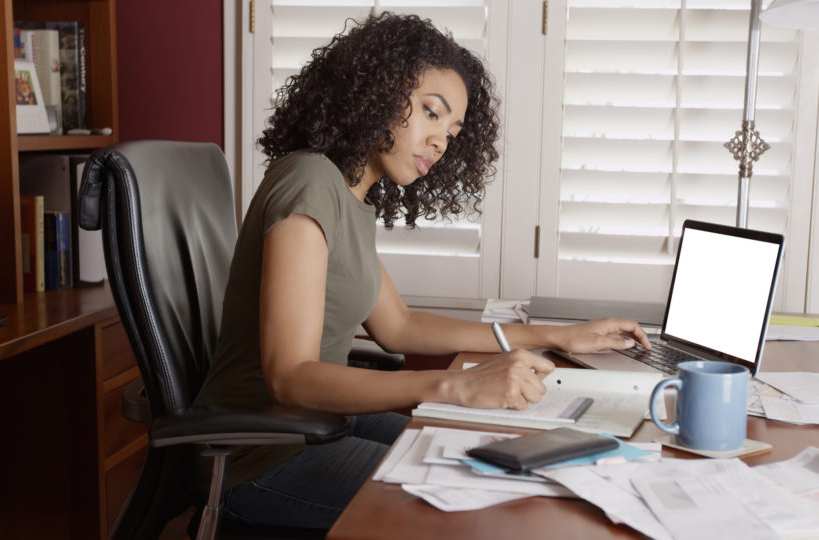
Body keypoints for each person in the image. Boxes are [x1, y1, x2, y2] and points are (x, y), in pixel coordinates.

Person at [193, 11, 651, 530]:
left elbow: (399, 327)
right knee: (480, 506)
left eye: (453, 132)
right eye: (432, 114)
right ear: (376, 91)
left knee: (496, 456)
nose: (441, 141)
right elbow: (290, 377)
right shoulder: (309, 182)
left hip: (318, 424)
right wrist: (456, 386)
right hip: (262, 455)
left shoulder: (349, 193)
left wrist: (560, 335)